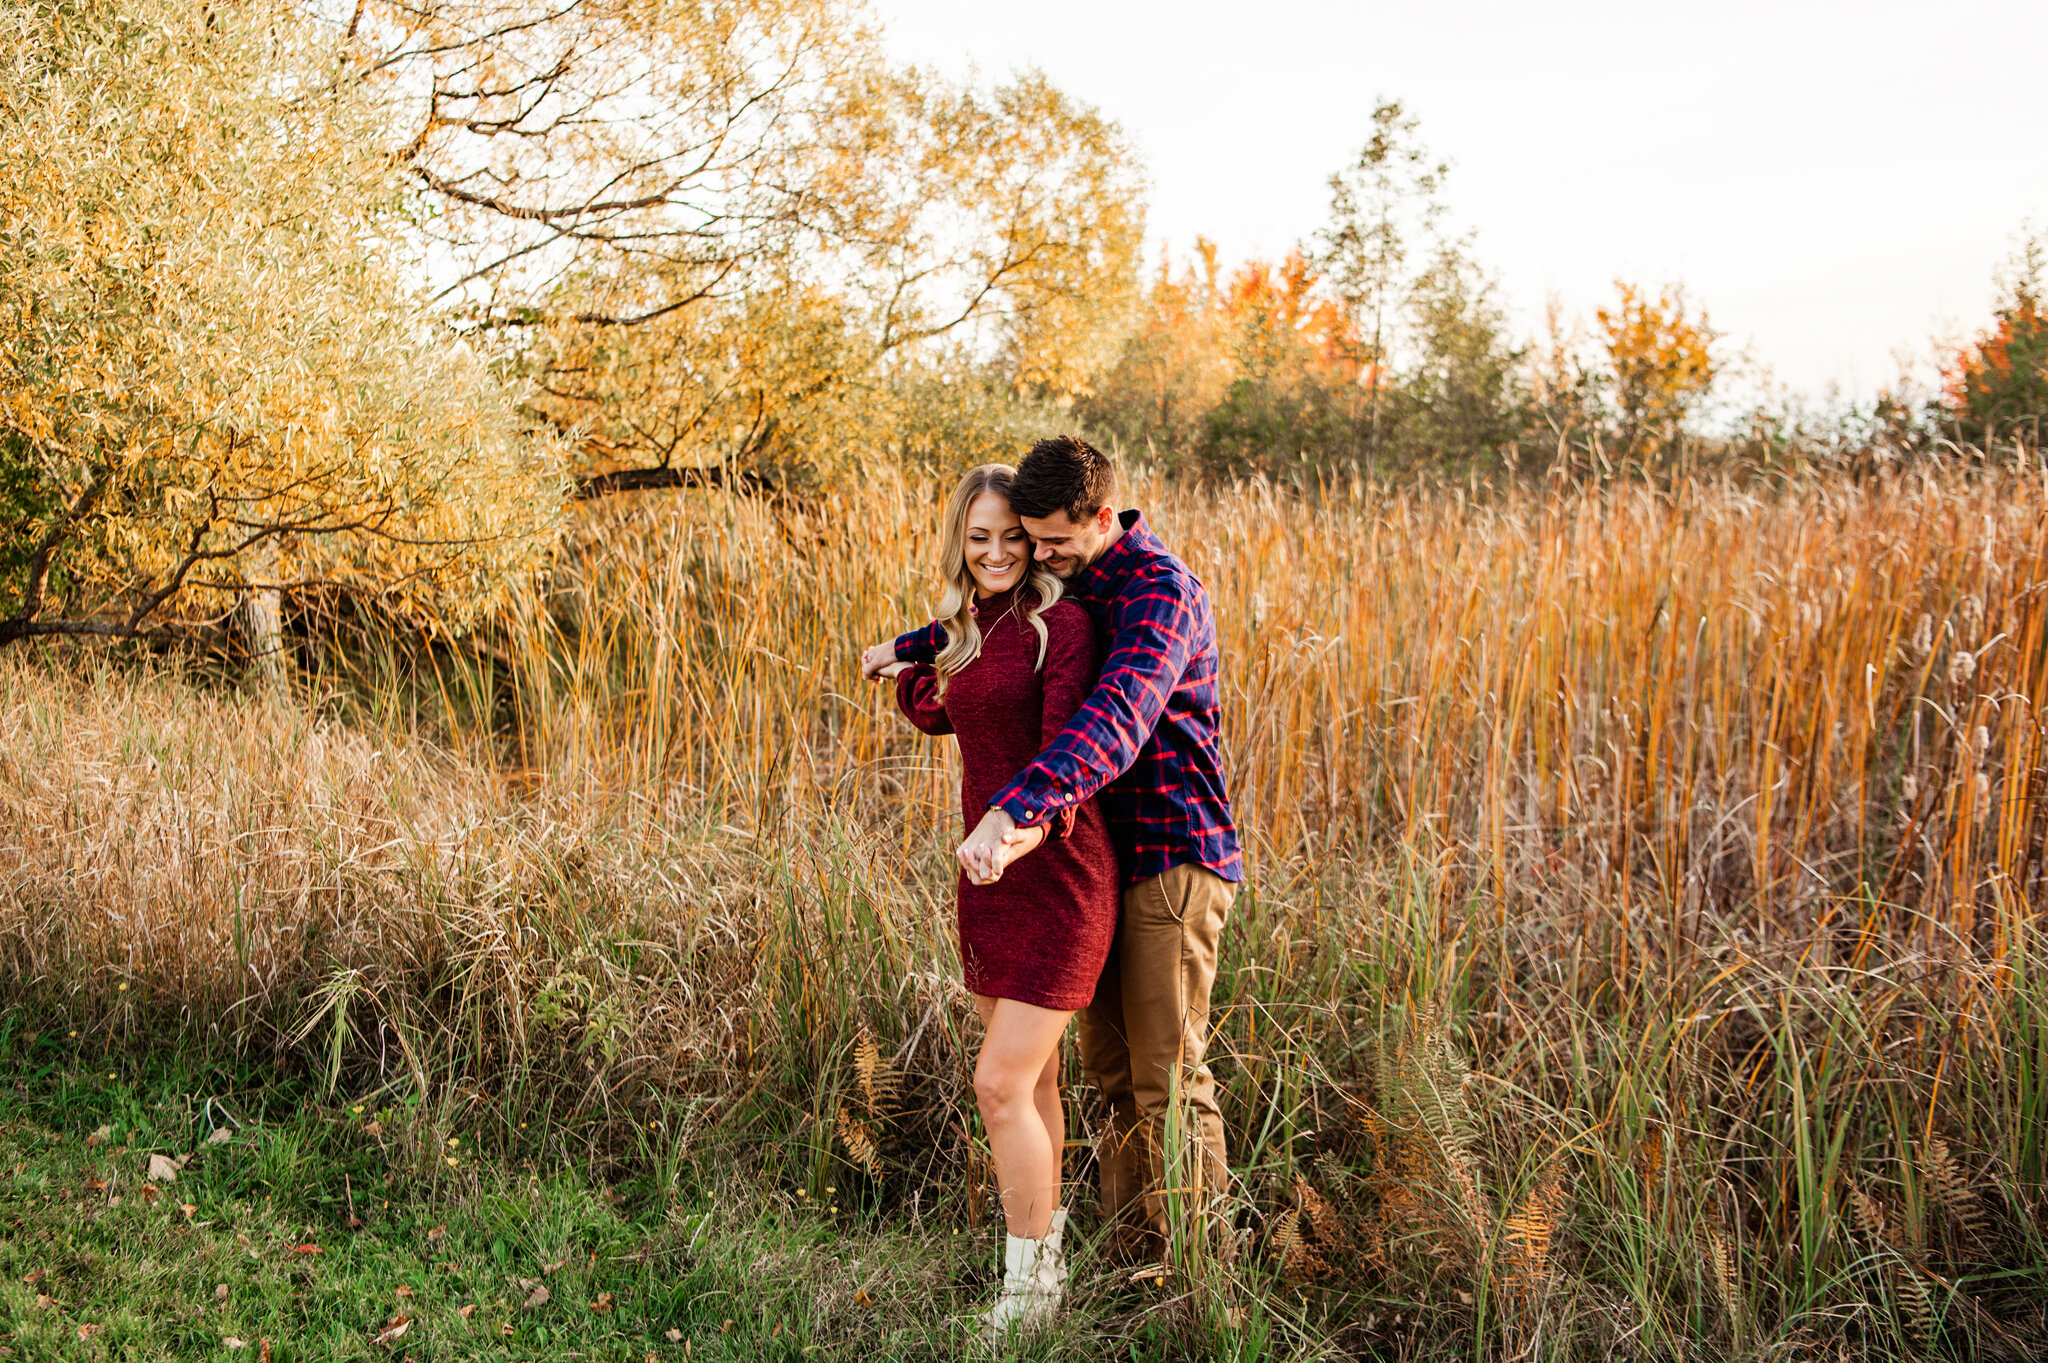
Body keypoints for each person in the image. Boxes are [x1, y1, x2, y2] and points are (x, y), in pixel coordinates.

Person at [865, 435, 1242, 1269]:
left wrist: (1016, 810)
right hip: (1100, 854)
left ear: (1104, 518)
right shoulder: (1074, 579)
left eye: (1052, 539)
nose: (1038, 553)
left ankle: (1196, 1276)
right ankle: (1131, 1260)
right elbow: (993, 614)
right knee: (1112, 1078)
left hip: (1171, 857)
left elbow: (1111, 719)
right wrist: (915, 644)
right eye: (1029, 537)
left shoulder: (1159, 593)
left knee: (1169, 1079)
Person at [863, 463, 1120, 1338]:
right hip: (986, 881)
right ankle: (1045, 1265)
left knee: (997, 1084)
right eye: (979, 538)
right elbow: (948, 711)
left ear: (1037, 539)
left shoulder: (1064, 626)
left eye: (1013, 535)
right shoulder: (968, 624)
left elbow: (1064, 760)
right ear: (958, 543)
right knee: (1034, 1081)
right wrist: (905, 659)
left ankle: (1024, 1297)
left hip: (1055, 876)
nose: (999, 551)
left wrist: (1017, 832)